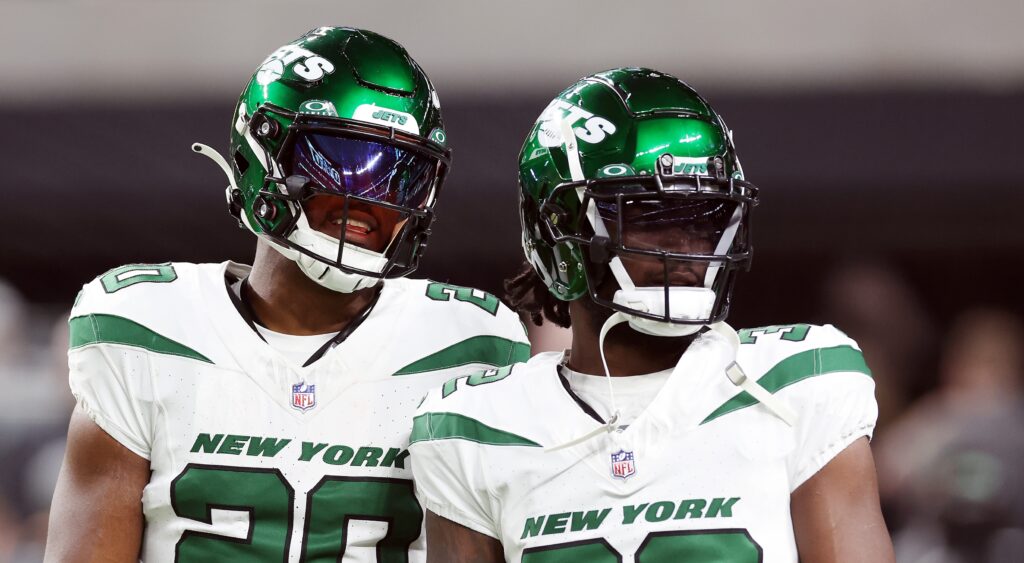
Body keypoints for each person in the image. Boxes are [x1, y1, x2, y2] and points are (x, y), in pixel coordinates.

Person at [44, 27, 529, 562]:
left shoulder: (469, 343)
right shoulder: (145, 327)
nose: (366, 201)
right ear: (265, 154)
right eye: (341, 160)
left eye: (399, 177)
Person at [409, 68, 895, 562]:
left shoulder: (799, 381)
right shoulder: (472, 428)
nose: (685, 250)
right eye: (650, 220)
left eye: (702, 221)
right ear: (559, 234)